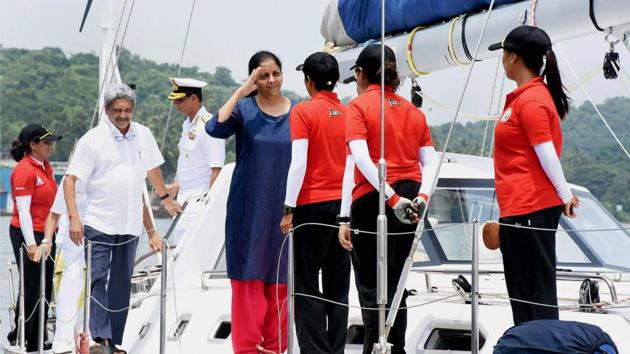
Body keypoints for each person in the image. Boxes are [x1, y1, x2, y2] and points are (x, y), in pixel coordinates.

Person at [338, 44, 438, 354]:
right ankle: (397, 349)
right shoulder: (414, 112)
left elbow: (360, 159)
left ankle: (373, 349)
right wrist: (420, 197)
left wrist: (390, 199)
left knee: (371, 285)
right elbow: (431, 161)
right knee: (396, 283)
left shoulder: (357, 106)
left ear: (360, 73)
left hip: (374, 198)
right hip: (411, 197)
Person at [64, 83, 178, 354]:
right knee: (97, 278)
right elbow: (69, 181)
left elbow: (150, 173)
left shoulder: (143, 134)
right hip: (97, 223)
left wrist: (161, 207)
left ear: (133, 110)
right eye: (117, 110)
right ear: (106, 110)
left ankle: (114, 342)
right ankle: (100, 338)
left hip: (129, 225)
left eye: (127, 110)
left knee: (121, 284)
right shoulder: (92, 139)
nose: (123, 115)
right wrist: (74, 219)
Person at [488, 25, 579, 325]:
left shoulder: (532, 101)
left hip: (531, 208)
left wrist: (565, 196)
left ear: (513, 57)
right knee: (522, 296)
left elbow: (547, 154)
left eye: (503, 53)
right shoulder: (524, 97)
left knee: (536, 296)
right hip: (518, 209)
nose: (501, 59)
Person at [206, 50, 293, 354]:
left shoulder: (299, 114)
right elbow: (214, 128)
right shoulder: (244, 109)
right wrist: (242, 91)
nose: (271, 80)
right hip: (248, 211)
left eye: (275, 73)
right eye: (263, 75)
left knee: (280, 282)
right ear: (254, 77)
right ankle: (246, 349)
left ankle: (275, 348)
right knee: (248, 281)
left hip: (284, 213)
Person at [279, 52, 350, 354]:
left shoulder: (303, 112)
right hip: (344, 208)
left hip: (310, 207)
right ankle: (335, 350)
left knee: (306, 287)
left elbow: (298, 163)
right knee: (338, 288)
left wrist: (288, 209)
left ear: (308, 81)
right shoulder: (349, 113)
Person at [7, 123, 62, 352]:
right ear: (33, 145)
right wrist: (31, 244)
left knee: (45, 285)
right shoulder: (24, 170)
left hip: (46, 234)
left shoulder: (45, 166)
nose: (50, 147)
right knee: (31, 285)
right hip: (27, 233)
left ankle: (37, 337)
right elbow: (24, 210)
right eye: (46, 143)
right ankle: (21, 336)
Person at [166, 78, 225, 248]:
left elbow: (216, 170)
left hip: (199, 201)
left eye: (180, 99)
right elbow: (191, 162)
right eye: (175, 100)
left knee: (192, 250)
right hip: (184, 200)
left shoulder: (209, 126)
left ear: (194, 98)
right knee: (180, 249)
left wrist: (208, 206)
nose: (176, 104)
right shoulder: (188, 124)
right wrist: (177, 185)